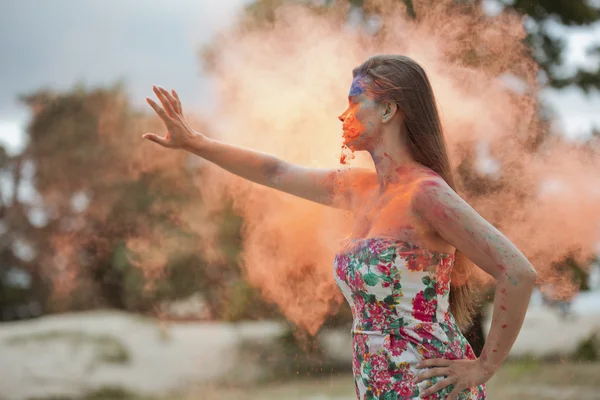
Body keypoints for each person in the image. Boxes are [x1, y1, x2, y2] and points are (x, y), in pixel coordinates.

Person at [142, 55, 537, 400]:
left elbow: (517, 271)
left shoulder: (426, 194)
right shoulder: (360, 189)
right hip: (377, 381)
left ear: (387, 111)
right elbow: (276, 171)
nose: (342, 113)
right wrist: (196, 143)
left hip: (427, 384)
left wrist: (484, 367)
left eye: (354, 101)